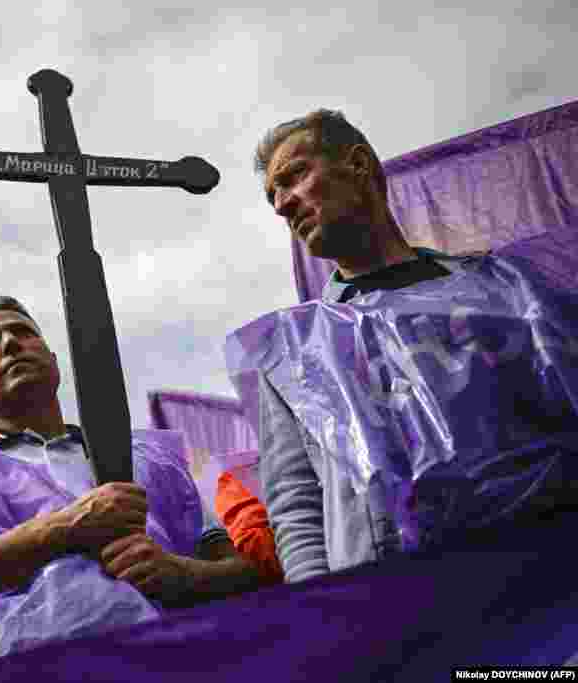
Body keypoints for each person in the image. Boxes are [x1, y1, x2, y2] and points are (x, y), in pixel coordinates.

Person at [247, 109, 578, 582]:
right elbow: (298, 507)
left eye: (294, 176)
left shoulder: (507, 289)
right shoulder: (293, 353)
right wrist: (326, 614)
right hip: (398, 612)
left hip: (542, 586)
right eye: (273, 196)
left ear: (358, 165)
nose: (282, 204)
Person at [0, 297, 263, 678]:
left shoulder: (154, 461)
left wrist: (184, 575)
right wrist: (62, 529)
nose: (10, 343)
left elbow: (248, 578)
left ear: (55, 362)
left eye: (23, 332)